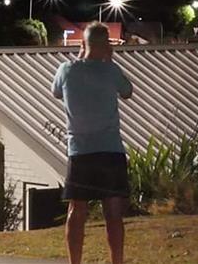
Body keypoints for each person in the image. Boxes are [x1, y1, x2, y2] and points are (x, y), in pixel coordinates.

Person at [52, 22, 133, 264]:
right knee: (113, 213)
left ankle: (74, 261)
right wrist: (108, 62)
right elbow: (127, 91)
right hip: (110, 150)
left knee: (77, 211)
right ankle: (116, 261)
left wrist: (79, 57)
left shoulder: (66, 70)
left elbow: (56, 92)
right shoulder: (111, 70)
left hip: (80, 150)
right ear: (106, 45)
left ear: (82, 43)